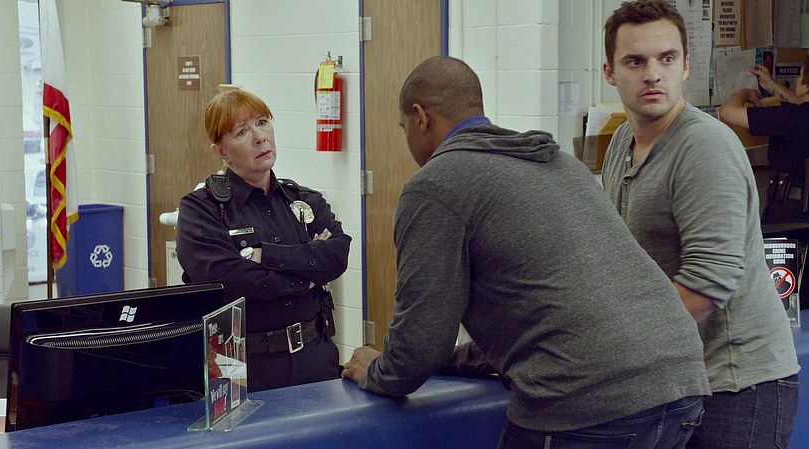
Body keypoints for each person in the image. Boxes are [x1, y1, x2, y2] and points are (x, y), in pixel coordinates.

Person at [342, 55, 710, 449]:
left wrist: (378, 371)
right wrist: (451, 360)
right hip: (682, 384)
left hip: (588, 401)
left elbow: (420, 344)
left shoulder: (435, 185)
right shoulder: (561, 165)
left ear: (420, 118)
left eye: (404, 129)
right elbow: (551, 311)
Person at [599, 1, 800, 448]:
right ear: (610, 72)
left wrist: (606, 347)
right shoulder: (622, 142)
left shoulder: (704, 147)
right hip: (677, 379)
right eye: (635, 61)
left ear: (686, 66)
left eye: (667, 58)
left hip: (737, 386)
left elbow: (708, 283)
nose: (653, 74)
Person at [176, 88, 351, 392]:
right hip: (245, 370)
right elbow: (228, 280)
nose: (259, 137)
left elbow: (336, 256)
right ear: (221, 152)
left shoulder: (304, 200)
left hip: (315, 360)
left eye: (262, 122)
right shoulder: (202, 209)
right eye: (242, 132)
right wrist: (306, 275)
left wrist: (265, 255)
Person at [721, 53, 809, 224]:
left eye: (800, 76)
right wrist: (772, 86)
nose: (798, 80)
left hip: (790, 214)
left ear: (806, 86)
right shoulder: (798, 116)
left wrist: (745, 93)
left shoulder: (790, 118)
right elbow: (800, 104)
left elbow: (728, 113)